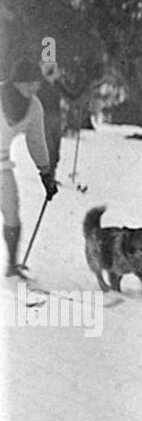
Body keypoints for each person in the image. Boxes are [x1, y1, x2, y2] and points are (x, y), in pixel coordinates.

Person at [1, 57, 58, 277]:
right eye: (31, 82)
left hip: (2, 162)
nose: (36, 86)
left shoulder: (34, 106)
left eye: (38, 82)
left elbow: (36, 141)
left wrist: (46, 172)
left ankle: (11, 266)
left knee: (11, 210)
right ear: (18, 81)